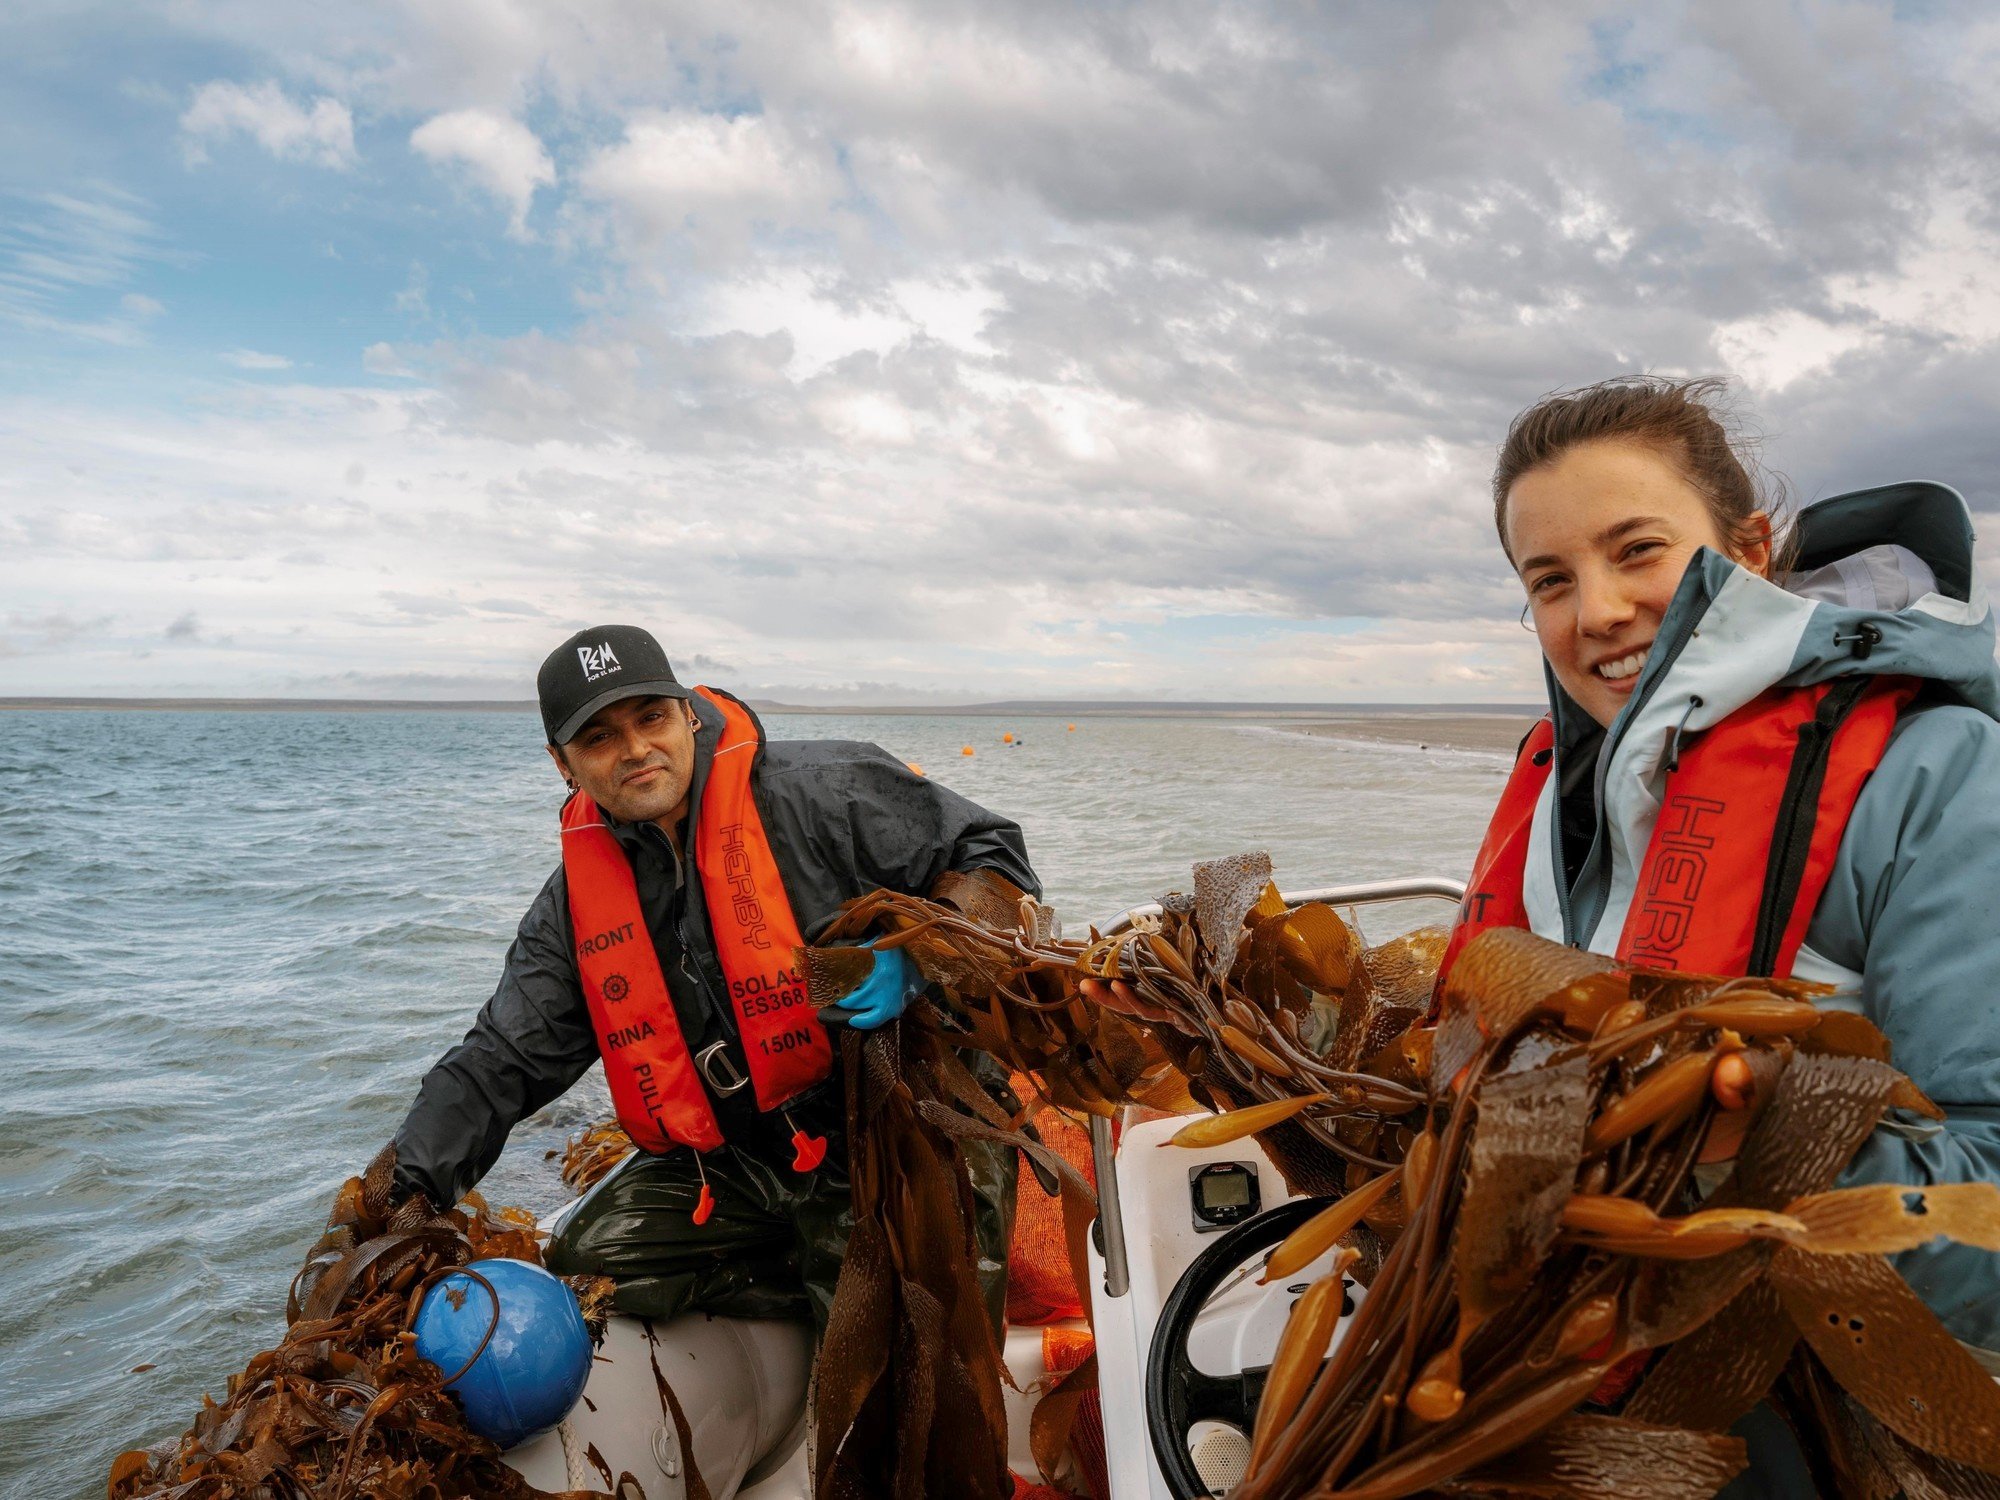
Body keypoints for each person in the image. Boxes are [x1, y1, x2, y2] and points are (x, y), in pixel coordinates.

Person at [1441, 376, 2000, 1492]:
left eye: (1636, 550)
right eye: (1547, 580)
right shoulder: (1565, 790)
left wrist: (1746, 1147)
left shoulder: (1934, 776)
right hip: (1565, 1396)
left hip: (1833, 1425)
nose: (1592, 609)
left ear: (1747, 551)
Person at [386, 623, 1036, 1335]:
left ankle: (854, 1281)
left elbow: (995, 858)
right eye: (599, 737)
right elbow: (501, 1059)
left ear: (688, 715)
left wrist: (919, 960)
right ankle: (818, 1268)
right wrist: (398, 1195)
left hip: (905, 1121)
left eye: (651, 717)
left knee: (909, 1364)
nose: (635, 749)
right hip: (745, 1157)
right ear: (560, 763)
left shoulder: (827, 791)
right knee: (591, 1256)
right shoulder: (574, 906)